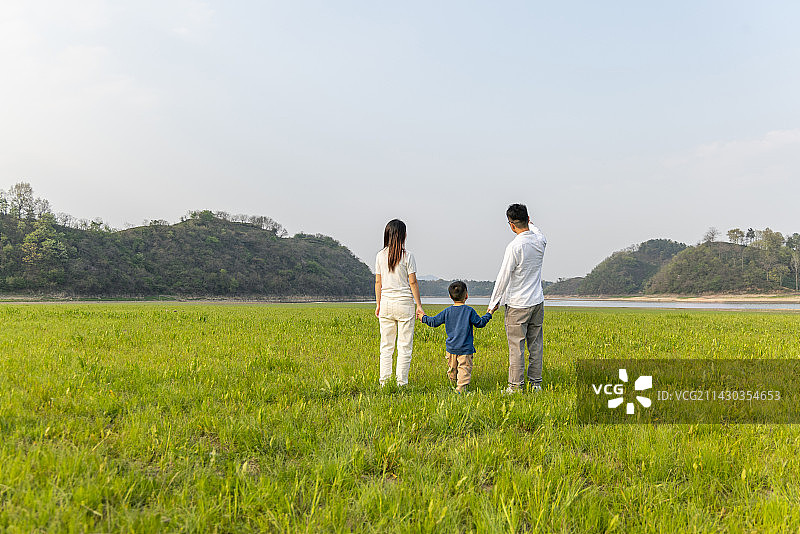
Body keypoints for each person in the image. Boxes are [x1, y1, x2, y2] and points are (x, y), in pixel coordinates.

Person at [487, 204, 547, 394]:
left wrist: (493, 304)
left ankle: (515, 387)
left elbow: (503, 276)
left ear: (511, 225)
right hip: (537, 301)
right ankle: (535, 384)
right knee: (535, 345)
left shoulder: (515, 246)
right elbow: (536, 229)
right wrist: (530, 221)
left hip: (517, 305)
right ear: (528, 219)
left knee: (516, 347)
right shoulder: (540, 241)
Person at [418, 281, 492, 393]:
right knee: (464, 369)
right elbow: (480, 323)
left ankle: (452, 385)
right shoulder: (469, 311)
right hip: (465, 349)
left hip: (451, 348)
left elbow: (434, 322)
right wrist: (489, 314)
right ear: (466, 295)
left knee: (452, 369)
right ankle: (460, 390)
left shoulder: (447, 311)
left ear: (450, 296)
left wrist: (423, 318)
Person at [375, 219, 425, 386]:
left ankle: (384, 382)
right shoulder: (408, 256)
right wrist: (419, 305)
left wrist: (378, 304)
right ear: (403, 235)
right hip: (404, 304)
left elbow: (378, 283)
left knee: (386, 347)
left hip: (386, 304)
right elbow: (413, 282)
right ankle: (401, 383)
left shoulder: (380, 256)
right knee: (404, 347)